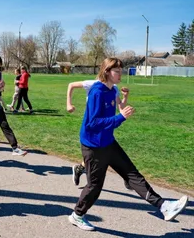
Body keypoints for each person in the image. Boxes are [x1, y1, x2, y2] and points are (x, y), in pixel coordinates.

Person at [68, 57, 188, 231]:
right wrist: (120, 117)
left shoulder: (112, 90)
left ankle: (164, 206)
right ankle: (77, 215)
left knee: (132, 174)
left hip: (108, 142)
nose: (120, 74)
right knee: (95, 185)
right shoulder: (97, 91)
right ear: (107, 72)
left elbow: (113, 118)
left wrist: (120, 115)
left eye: (120, 70)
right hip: (93, 146)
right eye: (117, 71)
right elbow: (92, 123)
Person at [67, 79, 133, 190]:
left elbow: (120, 107)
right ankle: (89, 184)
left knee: (105, 156)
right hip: (93, 127)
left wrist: (125, 97)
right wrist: (68, 104)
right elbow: (71, 84)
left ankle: (128, 178)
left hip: (106, 127)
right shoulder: (93, 84)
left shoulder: (114, 88)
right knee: (97, 157)